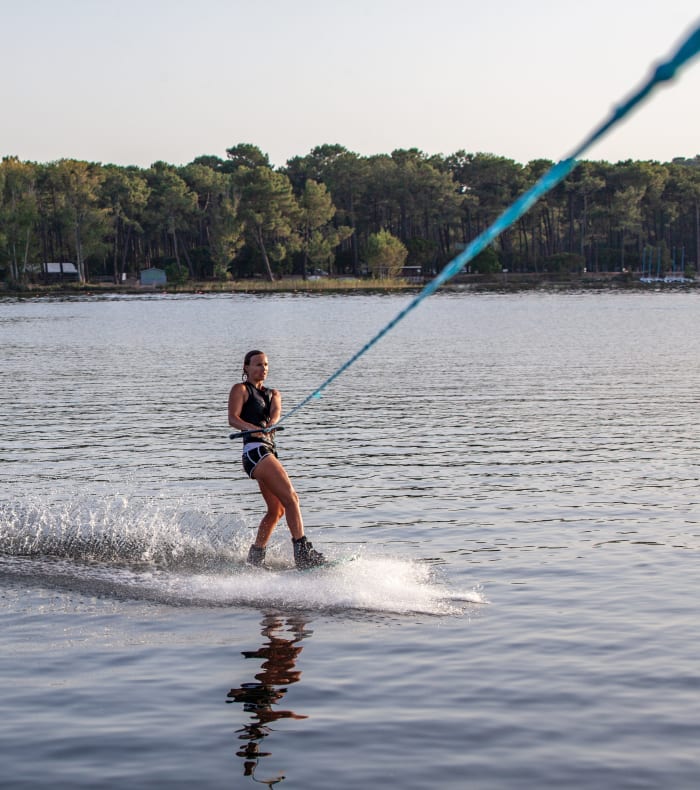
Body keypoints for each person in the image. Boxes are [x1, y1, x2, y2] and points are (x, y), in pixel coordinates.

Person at [228, 350, 325, 569]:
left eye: (266, 365)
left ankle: (256, 557)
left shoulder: (274, 394)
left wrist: (269, 424)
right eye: (258, 365)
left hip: (268, 451)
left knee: (277, 510)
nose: (263, 369)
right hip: (255, 451)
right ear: (246, 367)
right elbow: (233, 419)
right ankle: (303, 552)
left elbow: (275, 414)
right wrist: (253, 429)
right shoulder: (241, 390)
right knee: (292, 497)